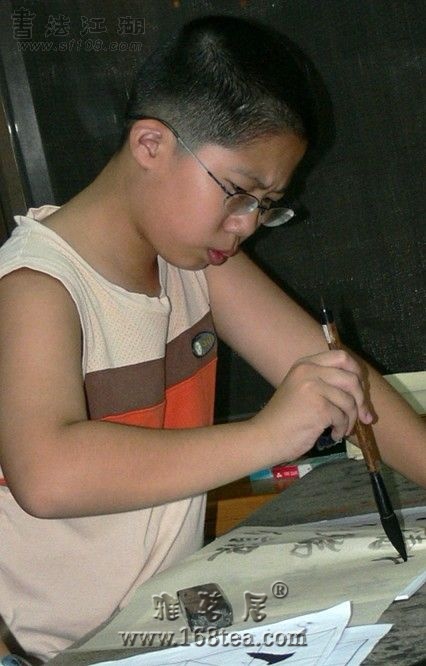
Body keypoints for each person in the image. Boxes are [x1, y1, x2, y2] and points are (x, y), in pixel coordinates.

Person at [0, 14, 424, 665]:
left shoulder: (197, 265)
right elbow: (48, 475)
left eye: (266, 205)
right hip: (49, 651)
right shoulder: (36, 286)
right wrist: (268, 435)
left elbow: (336, 375)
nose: (247, 224)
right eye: (240, 193)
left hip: (162, 629)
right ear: (151, 144)